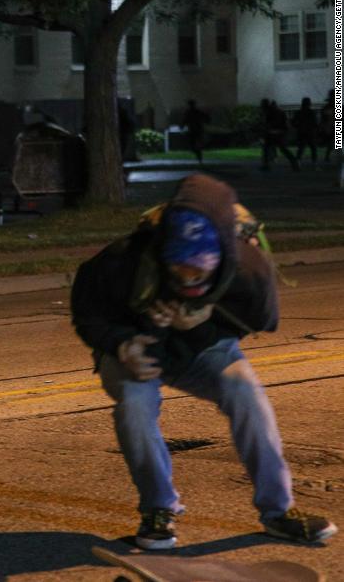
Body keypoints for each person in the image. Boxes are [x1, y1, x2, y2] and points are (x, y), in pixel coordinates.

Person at [70, 173, 337, 549]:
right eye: (179, 267)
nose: (188, 276)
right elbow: (87, 313)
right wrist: (121, 343)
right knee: (134, 407)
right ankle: (158, 510)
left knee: (248, 394)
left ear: (224, 256)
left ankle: (278, 512)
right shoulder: (125, 258)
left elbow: (263, 320)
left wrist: (203, 316)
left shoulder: (248, 266)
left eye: (200, 270)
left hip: (203, 349)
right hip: (136, 349)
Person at [260, 99, 299, 172]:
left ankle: (266, 165)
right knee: (282, 149)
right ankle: (294, 162)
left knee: (267, 148)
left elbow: (269, 124)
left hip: (274, 133)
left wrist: (266, 130)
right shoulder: (277, 111)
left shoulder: (270, 112)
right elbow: (284, 123)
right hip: (280, 132)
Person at [291, 97, 319, 167]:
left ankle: (298, 161)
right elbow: (315, 123)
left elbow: (293, 122)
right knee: (313, 148)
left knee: (301, 148)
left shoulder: (299, 112)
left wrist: (298, 127)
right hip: (310, 132)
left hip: (302, 132)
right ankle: (314, 162)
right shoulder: (311, 113)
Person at [181, 100, 209, 166]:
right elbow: (206, 117)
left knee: (193, 144)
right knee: (194, 144)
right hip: (196, 130)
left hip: (194, 130)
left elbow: (185, 120)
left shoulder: (191, 112)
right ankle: (199, 155)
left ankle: (199, 155)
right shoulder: (195, 112)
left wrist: (182, 126)